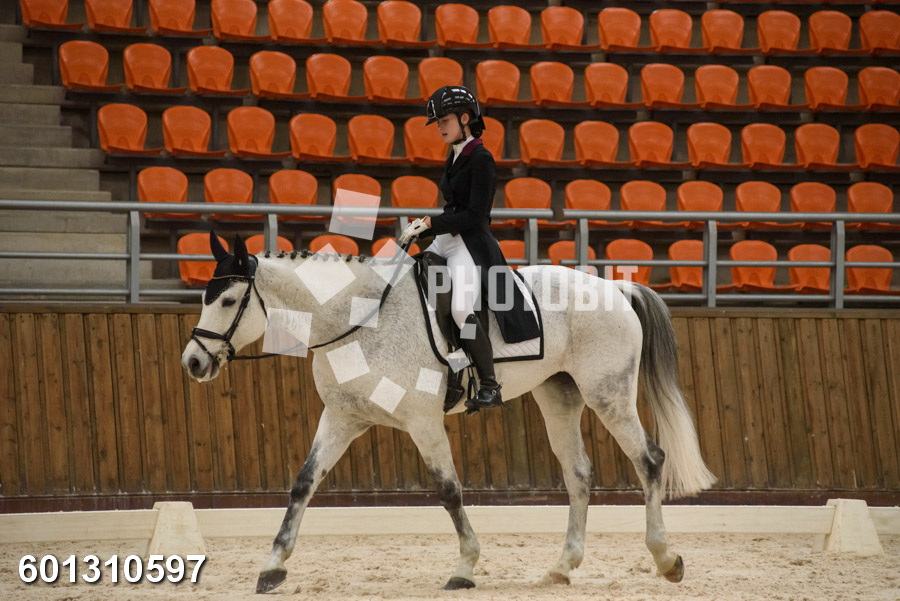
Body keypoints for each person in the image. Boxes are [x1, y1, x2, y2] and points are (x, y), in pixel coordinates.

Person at [400, 86, 541, 413]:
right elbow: (453, 207)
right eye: (437, 123)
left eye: (444, 120)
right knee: (415, 290)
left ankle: (490, 385)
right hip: (446, 239)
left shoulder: (481, 158)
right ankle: (451, 366)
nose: (440, 127)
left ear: (465, 118)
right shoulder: (454, 152)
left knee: (462, 308)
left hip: (468, 243)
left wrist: (431, 224)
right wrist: (423, 228)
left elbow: (476, 216)